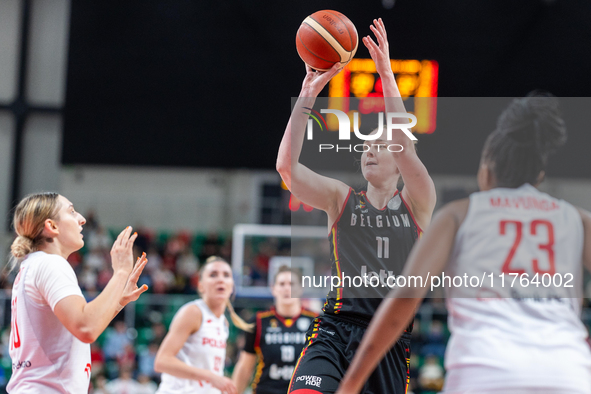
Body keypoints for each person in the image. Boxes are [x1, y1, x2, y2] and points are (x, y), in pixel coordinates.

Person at [336, 93, 591, 394]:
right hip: (567, 374)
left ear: (487, 167)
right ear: (540, 173)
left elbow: (405, 296)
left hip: (484, 373)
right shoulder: (578, 219)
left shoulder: (458, 215)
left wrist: (350, 384)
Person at [276, 18, 436, 394]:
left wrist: (385, 72)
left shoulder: (418, 201)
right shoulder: (340, 198)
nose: (369, 149)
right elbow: (286, 167)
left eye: (380, 145)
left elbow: (403, 142)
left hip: (388, 342)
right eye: (366, 145)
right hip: (334, 329)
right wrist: (307, 96)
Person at [7, 192, 149, 393]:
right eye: (71, 211)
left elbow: (74, 327)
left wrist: (117, 301)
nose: (81, 218)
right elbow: (86, 328)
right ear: (52, 226)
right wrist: (121, 272)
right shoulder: (51, 263)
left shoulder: (33, 265)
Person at [154, 256, 252, 394]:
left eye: (226, 275)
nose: (220, 279)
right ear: (201, 285)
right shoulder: (194, 312)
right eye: (213, 275)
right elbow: (162, 361)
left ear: (232, 286)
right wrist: (210, 377)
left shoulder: (223, 322)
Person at [232, 266, 317, 394]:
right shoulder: (259, 321)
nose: (287, 288)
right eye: (282, 284)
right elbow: (245, 367)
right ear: (273, 288)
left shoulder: (317, 321)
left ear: (300, 288)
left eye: (292, 284)